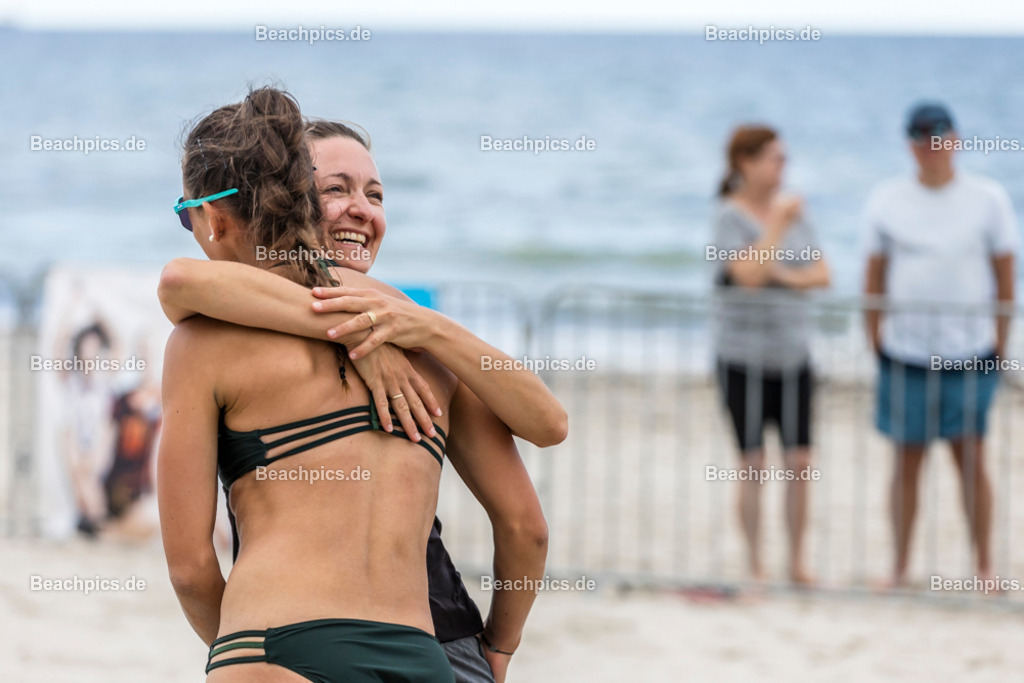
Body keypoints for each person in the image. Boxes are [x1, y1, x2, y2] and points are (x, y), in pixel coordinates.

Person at [158, 88, 565, 682]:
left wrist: (238, 645)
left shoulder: (203, 346)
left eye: (375, 194)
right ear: (299, 203)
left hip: (275, 644)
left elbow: (191, 568)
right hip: (423, 652)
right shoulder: (427, 353)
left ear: (216, 218)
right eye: (338, 189)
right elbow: (528, 525)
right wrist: (498, 649)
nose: (361, 208)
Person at [863, 102, 1017, 586]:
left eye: (940, 137)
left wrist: (1000, 345)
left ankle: (984, 567)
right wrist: (875, 343)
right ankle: (900, 567)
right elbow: (874, 278)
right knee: (906, 461)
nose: (932, 147)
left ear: (956, 139)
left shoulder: (988, 198)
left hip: (970, 354)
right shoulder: (887, 199)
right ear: (911, 145)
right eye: (923, 139)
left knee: (971, 459)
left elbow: (1005, 274)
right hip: (905, 354)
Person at [710, 124, 830, 585]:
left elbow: (822, 274)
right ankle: (755, 565)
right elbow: (748, 277)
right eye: (774, 158)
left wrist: (780, 273)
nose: (783, 167)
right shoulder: (728, 216)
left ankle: (797, 561)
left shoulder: (800, 214)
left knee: (800, 462)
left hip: (793, 354)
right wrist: (776, 225)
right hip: (741, 357)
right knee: (753, 462)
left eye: (785, 159)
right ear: (746, 163)